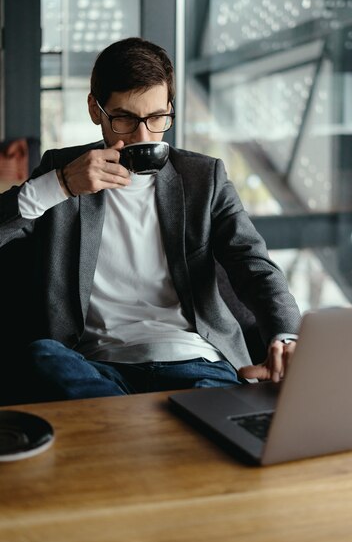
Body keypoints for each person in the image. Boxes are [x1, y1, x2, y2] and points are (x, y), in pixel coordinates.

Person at [0, 37, 301, 402]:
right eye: (125, 119)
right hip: (98, 364)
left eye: (158, 118)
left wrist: (286, 336)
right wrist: (60, 185)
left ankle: (121, 424)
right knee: (41, 357)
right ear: (96, 110)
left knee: (206, 412)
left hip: (196, 360)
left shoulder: (203, 177)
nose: (143, 137)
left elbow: (254, 265)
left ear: (170, 108)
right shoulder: (62, 170)